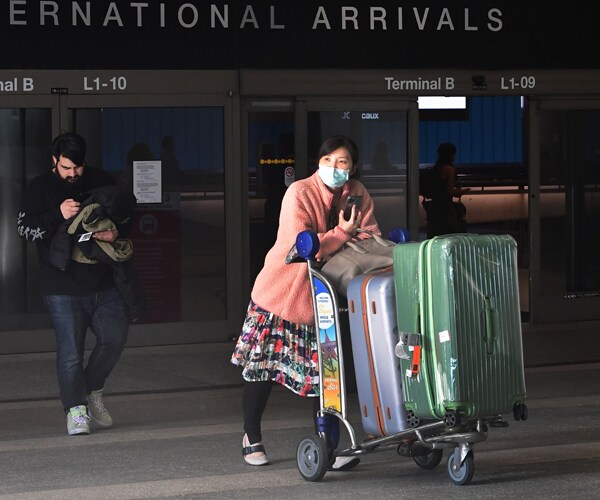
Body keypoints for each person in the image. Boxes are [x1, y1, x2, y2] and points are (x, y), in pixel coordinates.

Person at [231, 135, 381, 470]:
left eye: (342, 162)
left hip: (326, 301)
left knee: (325, 375)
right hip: (283, 295)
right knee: (262, 369)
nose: (334, 168)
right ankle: (250, 435)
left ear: (353, 166)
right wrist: (341, 235)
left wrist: (335, 240)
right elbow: (300, 246)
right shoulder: (299, 192)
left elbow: (371, 235)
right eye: (327, 160)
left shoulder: (358, 193)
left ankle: (328, 444)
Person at [17, 132, 134, 436]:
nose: (73, 174)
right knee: (70, 352)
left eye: (77, 168)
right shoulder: (39, 187)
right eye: (66, 168)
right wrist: (57, 214)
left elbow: (127, 212)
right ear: (54, 160)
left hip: (104, 280)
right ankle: (75, 410)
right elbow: (24, 229)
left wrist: (115, 232)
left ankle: (91, 389)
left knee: (115, 339)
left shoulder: (99, 179)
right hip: (60, 285)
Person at [421, 142, 470, 238]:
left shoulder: (435, 169)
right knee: (451, 233)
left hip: (433, 207)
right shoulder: (449, 169)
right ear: (451, 155)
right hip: (445, 207)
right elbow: (450, 191)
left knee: (436, 234)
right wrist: (462, 192)